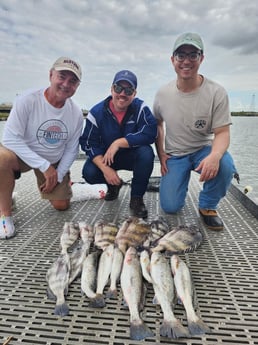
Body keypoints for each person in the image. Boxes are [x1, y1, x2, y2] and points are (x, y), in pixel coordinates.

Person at [153, 32, 237, 230]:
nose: (186, 61)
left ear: (202, 58)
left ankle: (208, 205)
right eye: (181, 55)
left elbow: (222, 132)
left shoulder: (216, 92)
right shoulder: (162, 94)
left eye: (193, 55)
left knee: (225, 164)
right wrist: (161, 153)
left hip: (203, 149)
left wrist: (215, 156)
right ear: (173, 60)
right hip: (176, 154)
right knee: (170, 207)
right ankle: (171, 184)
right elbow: (157, 124)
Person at [0, 57, 84, 239]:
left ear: (77, 86)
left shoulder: (76, 112)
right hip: (22, 155)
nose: (66, 84)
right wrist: (44, 166)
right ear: (51, 75)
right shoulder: (27, 100)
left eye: (73, 81)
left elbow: (71, 149)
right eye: (61, 77)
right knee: (1, 158)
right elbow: (9, 138)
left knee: (61, 205)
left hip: (54, 159)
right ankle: (5, 214)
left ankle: (9, 195)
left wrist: (58, 174)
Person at [79, 70, 157, 218]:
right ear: (111, 89)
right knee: (89, 172)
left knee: (146, 154)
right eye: (118, 88)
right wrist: (105, 168)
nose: (122, 94)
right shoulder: (96, 112)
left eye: (128, 90)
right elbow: (89, 143)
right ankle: (114, 185)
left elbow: (150, 132)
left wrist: (119, 143)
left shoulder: (141, 108)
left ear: (134, 93)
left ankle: (136, 199)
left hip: (131, 155)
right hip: (108, 158)